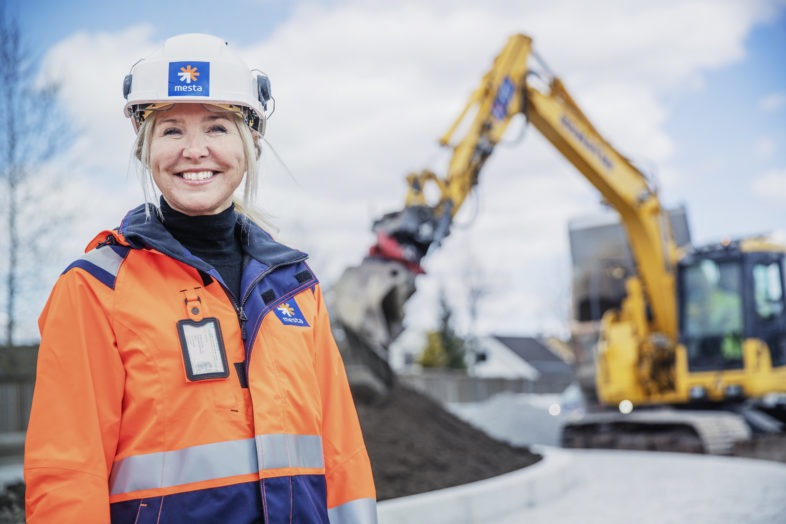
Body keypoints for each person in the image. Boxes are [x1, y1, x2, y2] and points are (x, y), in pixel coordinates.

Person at [24, 33, 377, 523]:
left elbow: (344, 458)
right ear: (145, 150)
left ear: (250, 141)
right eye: (170, 131)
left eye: (216, 128)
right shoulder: (94, 289)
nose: (194, 150)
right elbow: (67, 474)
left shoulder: (294, 286)